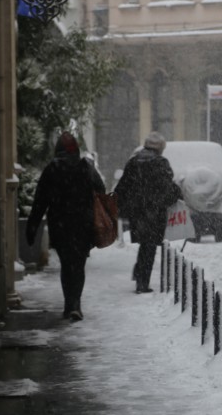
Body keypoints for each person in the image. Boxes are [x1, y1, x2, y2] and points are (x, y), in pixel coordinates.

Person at [26, 132, 106, 321]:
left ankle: (68, 304)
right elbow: (101, 189)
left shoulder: (51, 169)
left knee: (66, 264)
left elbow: (40, 201)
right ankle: (75, 304)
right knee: (78, 265)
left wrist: (32, 226)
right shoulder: (85, 167)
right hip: (82, 225)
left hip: (60, 225)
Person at [115, 132, 181, 293]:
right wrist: (175, 196)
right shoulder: (160, 164)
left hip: (137, 213)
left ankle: (139, 274)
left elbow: (123, 186)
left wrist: (121, 207)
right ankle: (142, 283)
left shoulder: (134, 162)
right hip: (153, 212)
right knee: (149, 246)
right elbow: (168, 188)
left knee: (145, 244)